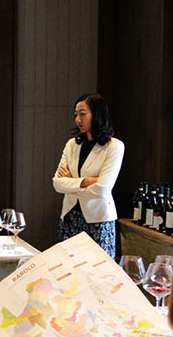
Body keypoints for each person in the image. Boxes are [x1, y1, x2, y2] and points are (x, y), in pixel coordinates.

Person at [52, 93, 124, 255]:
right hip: (70, 216)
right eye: (76, 115)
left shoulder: (114, 147)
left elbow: (103, 189)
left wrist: (72, 183)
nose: (78, 120)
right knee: (66, 266)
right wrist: (87, 181)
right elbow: (57, 183)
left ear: (97, 114)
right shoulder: (72, 145)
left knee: (98, 268)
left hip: (99, 219)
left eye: (83, 114)